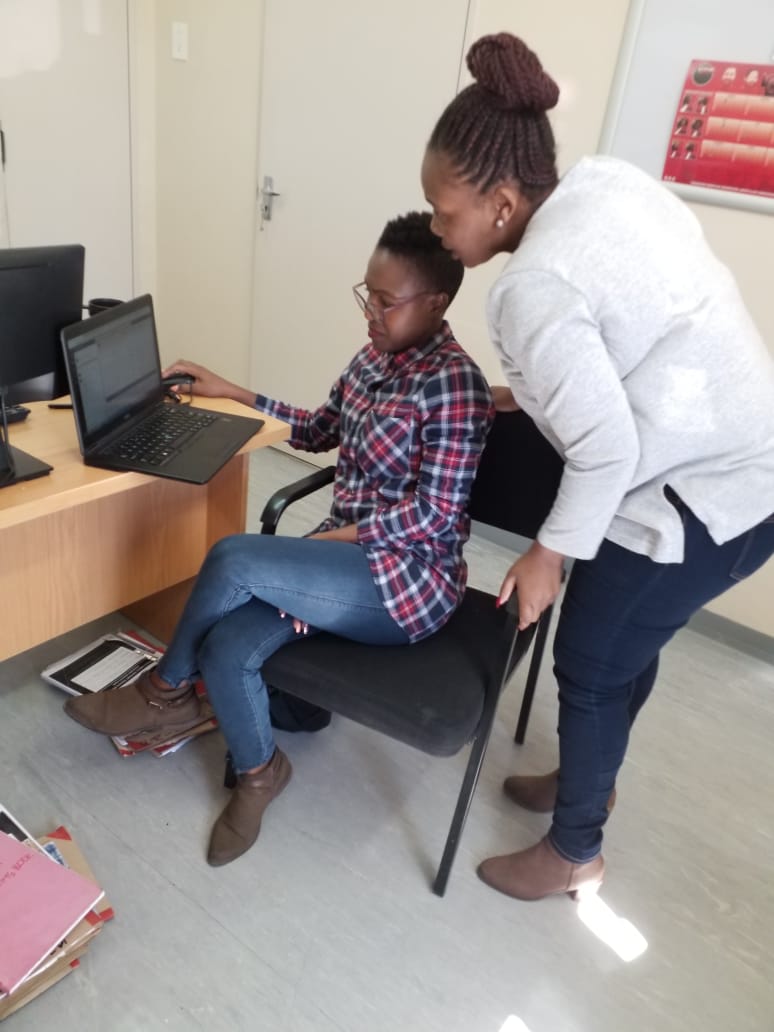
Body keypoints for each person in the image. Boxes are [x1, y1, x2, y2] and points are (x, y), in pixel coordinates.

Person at [421, 32, 774, 902]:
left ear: (503, 203)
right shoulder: (602, 182)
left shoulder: (527, 286)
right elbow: (623, 333)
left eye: (444, 211)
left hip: (704, 496)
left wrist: (546, 554)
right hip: (747, 463)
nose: (436, 227)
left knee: (588, 660)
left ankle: (576, 847)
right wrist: (530, 391)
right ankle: (594, 776)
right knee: (625, 647)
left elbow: (607, 447)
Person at [64, 211, 494, 867]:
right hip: (344, 558)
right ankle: (262, 773)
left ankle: (161, 694)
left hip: (405, 582)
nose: (370, 314)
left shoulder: (455, 385)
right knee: (231, 642)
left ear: (435, 303)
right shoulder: (375, 358)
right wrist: (230, 391)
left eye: (386, 301)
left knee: (233, 558)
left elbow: (435, 515)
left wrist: (339, 537)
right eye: (367, 295)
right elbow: (318, 427)